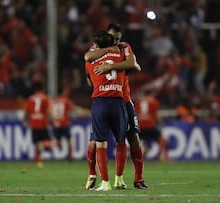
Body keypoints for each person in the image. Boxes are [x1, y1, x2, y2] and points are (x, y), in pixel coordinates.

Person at [84, 23, 148, 190]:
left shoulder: (124, 47)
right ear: (107, 36)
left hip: (123, 99)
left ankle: (138, 178)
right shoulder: (98, 48)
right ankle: (92, 174)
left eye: (119, 39)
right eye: (113, 39)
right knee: (94, 142)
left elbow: (134, 64)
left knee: (132, 137)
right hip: (109, 97)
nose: (116, 42)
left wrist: (110, 66)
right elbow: (87, 57)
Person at [84, 30, 128, 191]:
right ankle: (119, 180)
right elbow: (131, 64)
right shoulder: (121, 57)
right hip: (118, 102)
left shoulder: (90, 61)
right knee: (121, 141)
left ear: (97, 45)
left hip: (100, 102)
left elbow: (89, 81)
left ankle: (105, 183)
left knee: (100, 144)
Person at [51, 86, 90, 161]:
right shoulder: (65, 101)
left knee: (57, 142)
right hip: (64, 123)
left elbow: (51, 112)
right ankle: (70, 157)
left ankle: (45, 147)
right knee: (68, 140)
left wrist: (55, 121)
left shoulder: (54, 102)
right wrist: (86, 112)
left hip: (56, 124)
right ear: (62, 92)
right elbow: (74, 108)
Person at [134, 89, 169, 161]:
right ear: (150, 94)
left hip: (140, 126)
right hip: (150, 125)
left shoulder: (138, 101)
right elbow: (156, 115)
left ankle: (139, 160)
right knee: (163, 140)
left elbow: (136, 114)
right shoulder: (153, 101)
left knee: (146, 146)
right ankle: (161, 157)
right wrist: (161, 123)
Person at [23, 81, 52, 168]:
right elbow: (48, 111)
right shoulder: (45, 98)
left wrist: (24, 121)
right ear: (42, 88)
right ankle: (43, 150)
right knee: (45, 141)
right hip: (42, 122)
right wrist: (51, 119)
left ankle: (38, 160)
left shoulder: (31, 98)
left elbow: (26, 112)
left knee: (37, 142)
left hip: (33, 122)